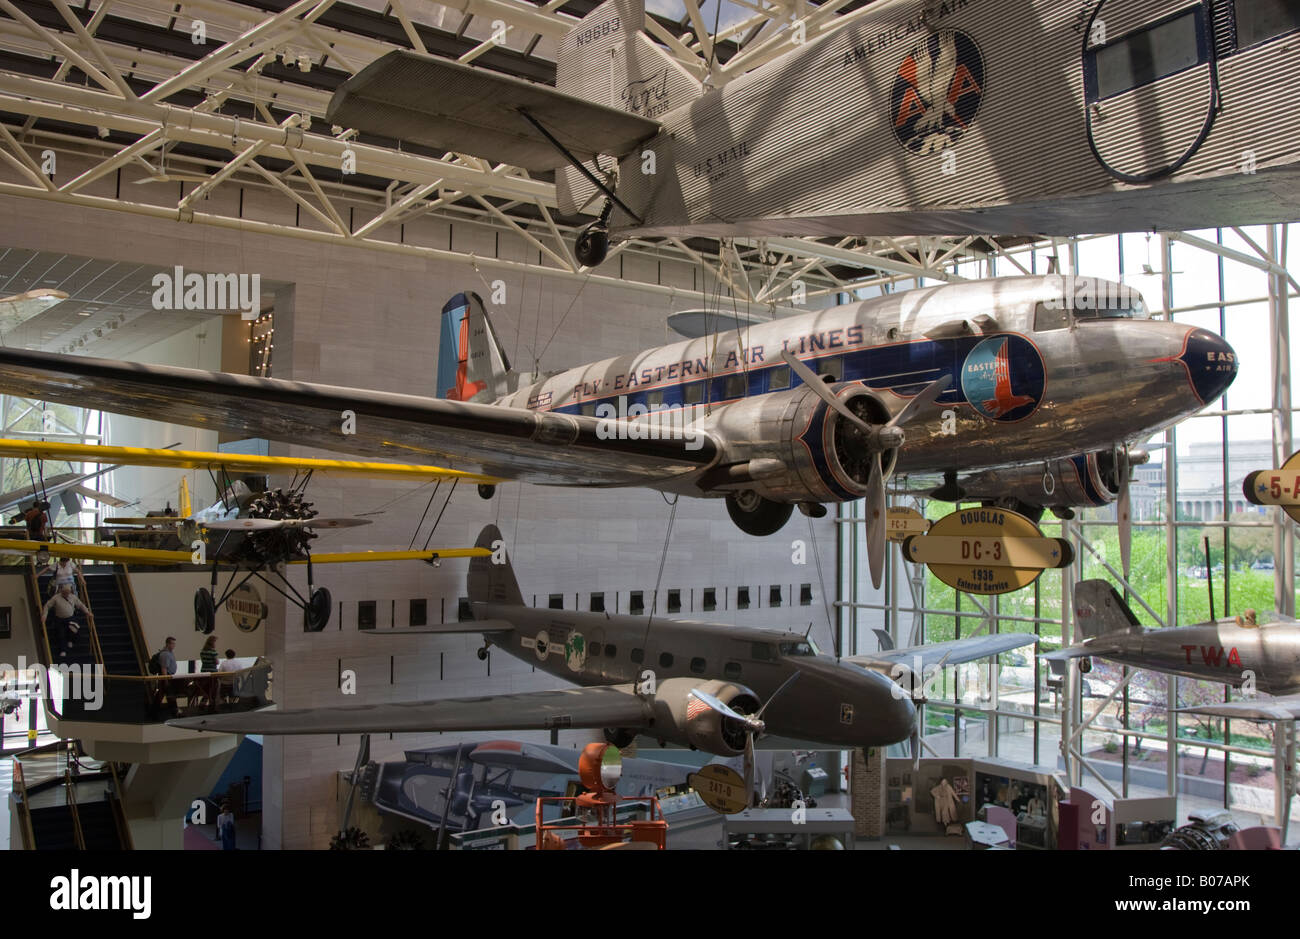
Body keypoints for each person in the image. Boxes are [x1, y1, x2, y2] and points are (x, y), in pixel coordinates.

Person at [41, 584, 92, 661]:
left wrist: (87, 612)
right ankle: (63, 650)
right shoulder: (56, 597)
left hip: (70, 618)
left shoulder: (73, 597)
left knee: (75, 630)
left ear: (70, 592)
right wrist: (44, 615)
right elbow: (47, 606)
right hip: (59, 619)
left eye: (68, 592)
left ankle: (71, 640)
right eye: (65, 592)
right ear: (61, 591)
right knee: (61, 634)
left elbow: (80, 605)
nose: (66, 594)